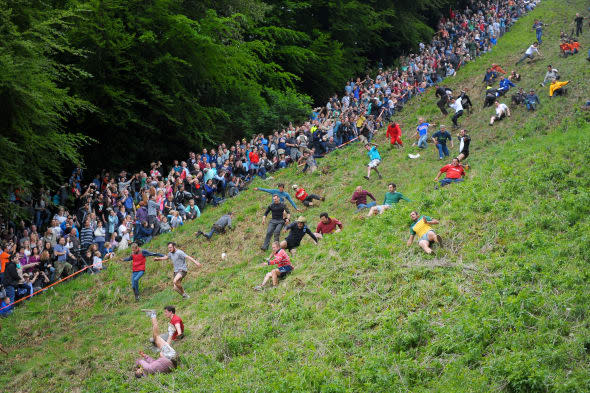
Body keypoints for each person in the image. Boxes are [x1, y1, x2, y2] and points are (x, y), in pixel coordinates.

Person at [134, 310, 177, 377]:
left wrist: (145, 356)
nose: (140, 369)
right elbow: (140, 361)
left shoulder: (151, 370)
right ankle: (153, 314)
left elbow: (152, 362)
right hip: (169, 359)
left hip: (171, 362)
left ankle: (171, 331)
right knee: (156, 337)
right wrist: (137, 365)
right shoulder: (148, 369)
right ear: (141, 373)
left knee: (158, 342)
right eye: (139, 370)